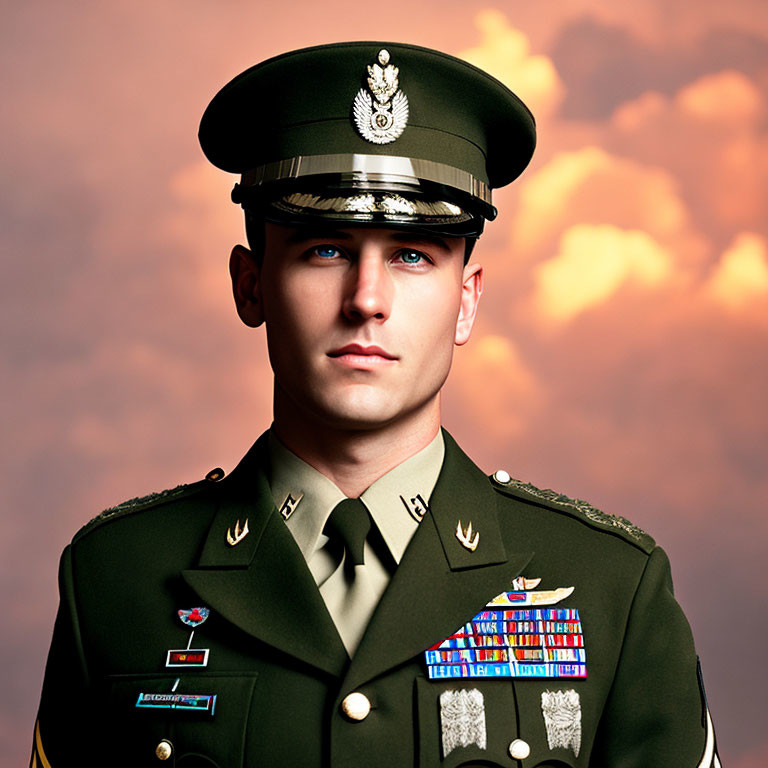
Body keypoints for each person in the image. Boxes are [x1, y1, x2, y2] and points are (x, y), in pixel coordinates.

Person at [30, 42, 719, 768]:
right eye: (324, 249)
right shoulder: (114, 583)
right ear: (251, 284)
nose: (366, 300)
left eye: (413, 255)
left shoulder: (613, 590)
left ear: (467, 299)